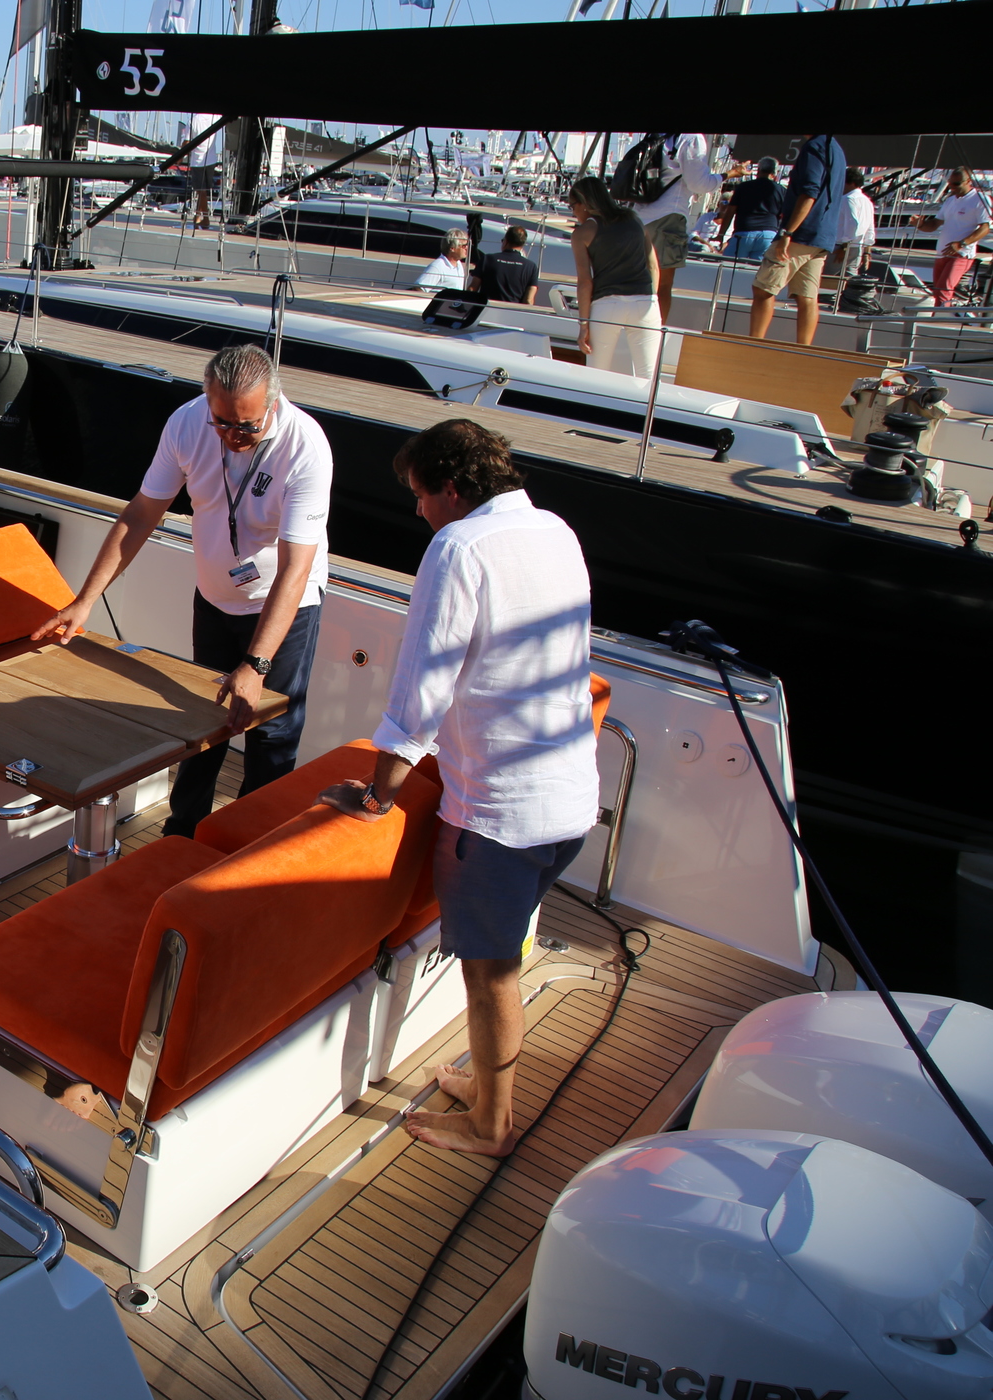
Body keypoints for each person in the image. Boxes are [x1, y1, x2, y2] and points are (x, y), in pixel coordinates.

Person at [319, 419, 597, 1158]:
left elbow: (421, 690)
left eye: (419, 495)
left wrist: (377, 795)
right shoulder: (557, 530)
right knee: (505, 954)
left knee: (492, 974)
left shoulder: (459, 547)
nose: (417, 511)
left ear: (450, 487)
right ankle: (486, 1087)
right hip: (572, 803)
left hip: (501, 820)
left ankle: (490, 1123)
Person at [32, 342, 333, 839]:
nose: (232, 437)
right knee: (201, 718)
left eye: (247, 426)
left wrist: (256, 665)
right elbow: (141, 514)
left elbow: (295, 568)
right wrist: (84, 601)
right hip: (214, 596)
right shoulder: (188, 423)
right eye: (222, 422)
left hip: (283, 604)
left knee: (270, 731)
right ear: (207, 401)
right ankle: (181, 835)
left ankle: (247, 846)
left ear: (273, 405)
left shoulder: (306, 448)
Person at [749, 133, 847, 345]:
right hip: (822, 235)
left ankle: (754, 345)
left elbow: (810, 192)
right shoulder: (836, 149)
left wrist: (788, 232)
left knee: (764, 289)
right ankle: (803, 349)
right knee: (807, 297)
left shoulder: (814, 147)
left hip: (801, 232)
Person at [568, 176, 663, 380]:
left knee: (596, 376)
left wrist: (583, 325)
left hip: (607, 304)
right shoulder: (635, 221)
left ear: (584, 203)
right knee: (649, 378)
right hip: (644, 302)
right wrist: (651, 299)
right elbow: (654, 267)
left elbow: (585, 282)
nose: (573, 212)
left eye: (572, 206)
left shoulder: (582, 233)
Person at [626, 133, 720, 327]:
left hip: (639, 216)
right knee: (663, 285)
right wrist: (725, 176)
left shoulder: (657, 135)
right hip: (669, 216)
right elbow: (698, 184)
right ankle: (653, 331)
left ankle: (630, 327)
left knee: (636, 280)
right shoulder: (691, 138)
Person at [917, 166, 991, 309]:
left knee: (944, 290)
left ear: (968, 181)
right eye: (950, 183)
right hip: (942, 252)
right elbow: (934, 224)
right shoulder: (950, 200)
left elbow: (985, 228)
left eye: (956, 184)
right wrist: (919, 224)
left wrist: (961, 244)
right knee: (937, 290)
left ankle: (939, 319)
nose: (952, 187)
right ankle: (936, 316)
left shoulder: (979, 199)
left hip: (961, 253)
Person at [718, 157, 787, 263]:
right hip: (768, 235)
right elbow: (785, 215)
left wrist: (721, 234)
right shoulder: (782, 190)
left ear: (758, 170)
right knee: (757, 270)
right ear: (775, 173)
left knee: (729, 266)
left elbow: (730, 212)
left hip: (744, 232)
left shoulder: (744, 187)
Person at [477, 226, 540, 305]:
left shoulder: (487, 259)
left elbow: (473, 287)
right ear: (523, 244)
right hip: (513, 311)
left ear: (506, 241)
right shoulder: (531, 267)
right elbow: (528, 300)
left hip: (487, 308)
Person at [835, 168, 877, 278]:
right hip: (858, 246)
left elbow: (852, 224)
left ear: (851, 183)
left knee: (828, 278)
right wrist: (867, 251)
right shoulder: (867, 201)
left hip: (841, 246)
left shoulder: (847, 199)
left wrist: (844, 247)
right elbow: (870, 228)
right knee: (850, 278)